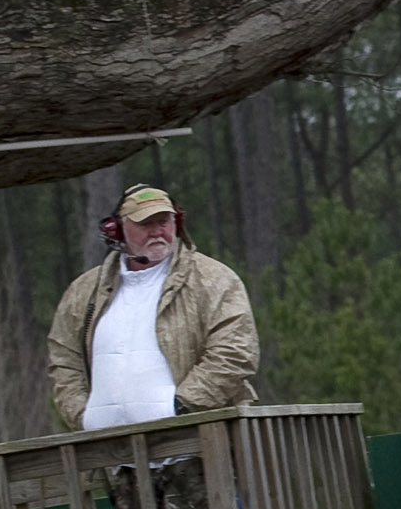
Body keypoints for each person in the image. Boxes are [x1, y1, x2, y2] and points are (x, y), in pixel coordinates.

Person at [45, 184, 261, 430]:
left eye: (164, 221)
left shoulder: (214, 279)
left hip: (199, 448)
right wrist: (84, 416)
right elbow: (63, 359)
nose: (157, 231)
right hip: (111, 459)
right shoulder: (83, 292)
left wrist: (181, 408)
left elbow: (236, 353)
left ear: (176, 223)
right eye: (145, 224)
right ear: (117, 230)